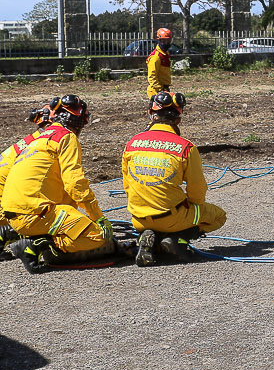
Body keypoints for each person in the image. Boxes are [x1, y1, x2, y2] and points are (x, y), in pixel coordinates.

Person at [2, 95, 118, 273]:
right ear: (80, 123)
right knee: (98, 236)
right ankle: (37, 245)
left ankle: (18, 234)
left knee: (71, 213)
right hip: (34, 213)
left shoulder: (37, 140)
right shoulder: (67, 137)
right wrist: (98, 217)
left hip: (13, 213)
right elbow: (75, 183)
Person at [122, 91, 226, 266]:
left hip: (137, 218)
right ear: (178, 119)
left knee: (164, 215)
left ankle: (150, 238)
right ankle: (178, 239)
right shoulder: (186, 147)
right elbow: (197, 190)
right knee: (219, 216)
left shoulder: (132, 144)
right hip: (172, 217)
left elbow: (127, 186)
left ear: (151, 115)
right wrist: (191, 205)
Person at [0, 105, 53, 256]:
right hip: (4, 208)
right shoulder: (41, 144)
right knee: (45, 219)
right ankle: (5, 233)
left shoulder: (31, 140)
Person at [146, 27, 173, 99]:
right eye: (164, 41)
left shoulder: (166, 54)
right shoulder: (155, 57)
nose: (166, 43)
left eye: (168, 40)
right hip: (156, 91)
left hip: (164, 89)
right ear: (158, 40)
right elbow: (152, 76)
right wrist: (160, 90)